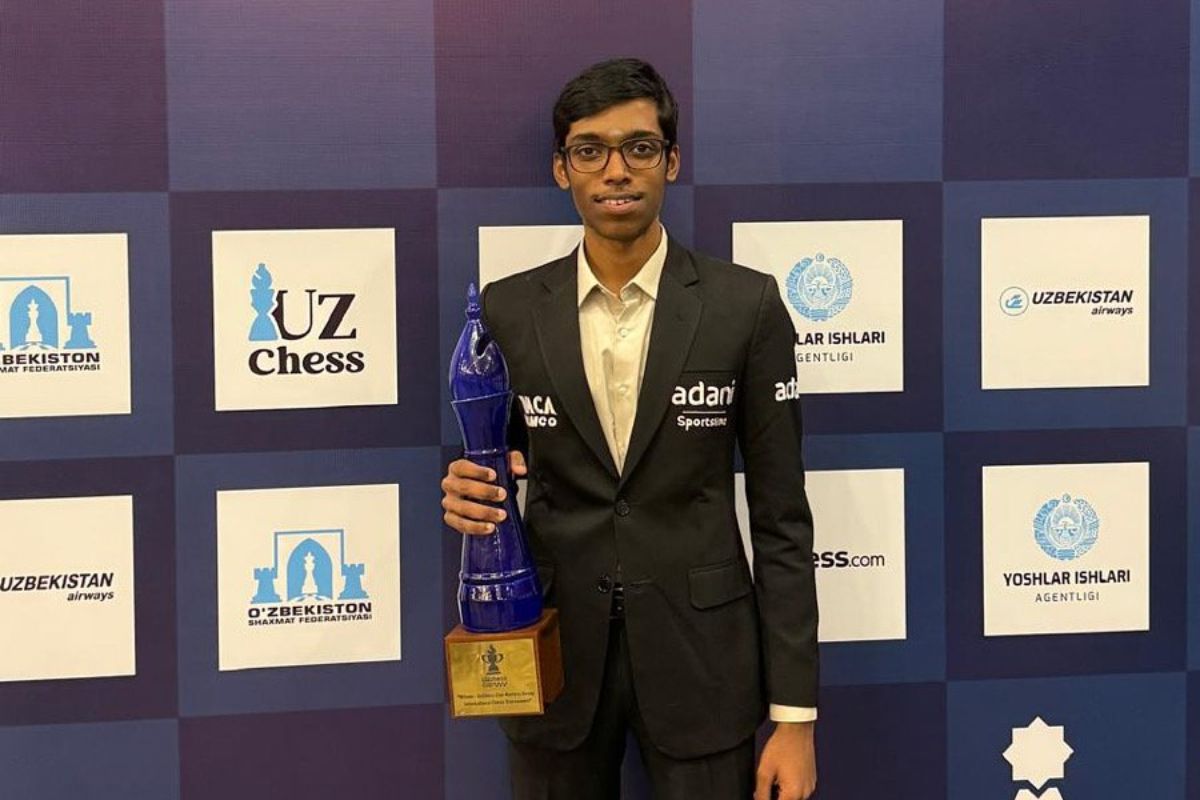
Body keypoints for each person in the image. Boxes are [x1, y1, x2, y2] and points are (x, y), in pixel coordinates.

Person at [441, 58, 818, 800]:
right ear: (562, 169)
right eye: (590, 150)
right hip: (556, 663)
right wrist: (471, 492)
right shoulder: (508, 311)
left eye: (639, 147)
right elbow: (498, 465)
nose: (616, 170)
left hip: (705, 664)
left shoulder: (745, 306)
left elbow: (782, 521)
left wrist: (795, 718)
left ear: (670, 161)